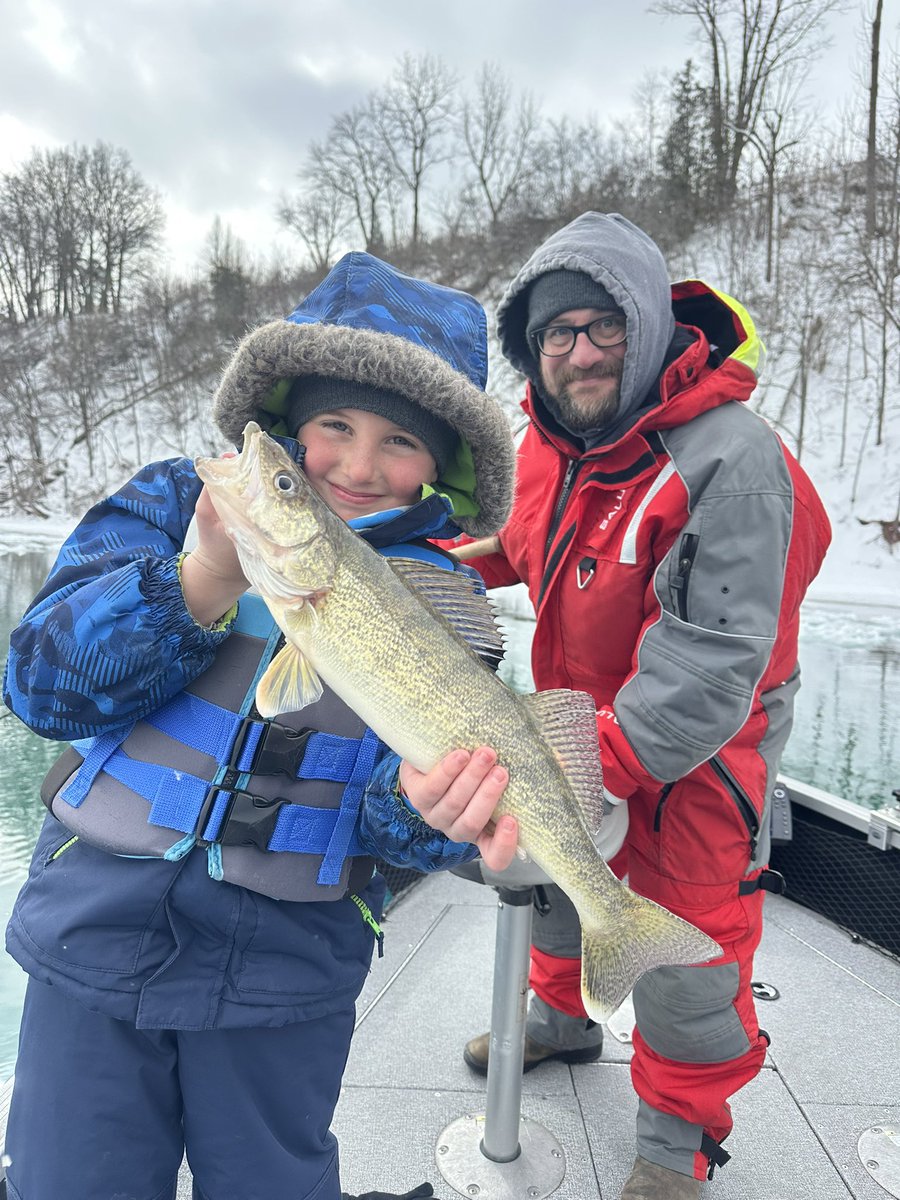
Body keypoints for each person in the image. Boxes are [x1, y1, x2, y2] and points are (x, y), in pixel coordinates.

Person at [0, 251, 519, 1200]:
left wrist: (423, 813)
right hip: (93, 934)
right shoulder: (169, 505)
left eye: (400, 442)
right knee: (67, 1179)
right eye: (333, 425)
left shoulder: (451, 603)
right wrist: (197, 582)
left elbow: (402, 837)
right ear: (284, 424)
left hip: (288, 968)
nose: (359, 465)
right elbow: (37, 687)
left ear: (440, 467)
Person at [402, 212, 831, 1199]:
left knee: (689, 939)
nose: (580, 351)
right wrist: (422, 570)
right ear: (535, 350)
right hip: (573, 720)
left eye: (602, 327)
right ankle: (562, 1019)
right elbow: (524, 543)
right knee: (557, 879)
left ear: (645, 327)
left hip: (703, 740)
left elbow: (712, 668)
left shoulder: (732, 460)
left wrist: (575, 770)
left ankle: (677, 1140)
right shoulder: (554, 441)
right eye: (557, 334)